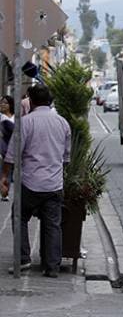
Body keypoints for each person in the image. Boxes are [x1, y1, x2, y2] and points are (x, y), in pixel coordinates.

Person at [0, 85, 71, 277]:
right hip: (54, 184)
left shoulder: (26, 123)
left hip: (30, 183)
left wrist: (4, 177)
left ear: (31, 101)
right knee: (52, 224)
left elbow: (11, 155)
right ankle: (52, 266)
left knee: (20, 217)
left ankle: (23, 259)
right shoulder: (63, 123)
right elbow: (66, 158)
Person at [0, 96, 15, 201]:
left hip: (13, 148)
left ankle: (5, 192)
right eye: (1, 103)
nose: (3, 105)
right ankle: (4, 192)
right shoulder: (0, 117)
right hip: (2, 148)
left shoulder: (16, 117)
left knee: (9, 171)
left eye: (5, 103)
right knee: (4, 171)